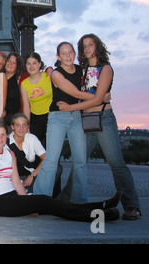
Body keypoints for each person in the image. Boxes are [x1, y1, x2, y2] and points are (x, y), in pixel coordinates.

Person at [56, 34, 141, 220]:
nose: (87, 49)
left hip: (103, 118)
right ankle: (65, 200)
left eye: (90, 45)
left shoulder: (106, 69)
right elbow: (63, 72)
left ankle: (132, 205)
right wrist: (48, 70)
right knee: (79, 162)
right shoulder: (82, 69)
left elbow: (96, 98)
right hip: (85, 119)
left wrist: (70, 107)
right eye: (84, 46)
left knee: (116, 163)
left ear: (98, 47)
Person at [0, 121, 121, 221]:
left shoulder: (9, 154)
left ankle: (100, 207)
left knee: (51, 205)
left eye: (3, 134)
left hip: (12, 196)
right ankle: (97, 216)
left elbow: (17, 183)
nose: (0, 138)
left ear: (6, 135)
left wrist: (27, 203)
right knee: (45, 201)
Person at [33, 42, 97, 204]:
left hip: (76, 116)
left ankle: (80, 200)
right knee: (51, 160)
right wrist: (100, 97)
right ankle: (40, 200)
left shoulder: (82, 71)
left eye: (70, 52)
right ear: (58, 56)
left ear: (75, 54)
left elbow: (93, 86)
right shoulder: (55, 73)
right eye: (64, 53)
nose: (68, 55)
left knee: (81, 161)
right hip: (57, 117)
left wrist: (100, 93)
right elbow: (75, 92)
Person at [7, 113, 46, 194]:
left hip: (31, 175)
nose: (21, 128)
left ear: (28, 126)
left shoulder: (32, 138)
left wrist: (32, 175)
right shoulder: (6, 142)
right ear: (12, 127)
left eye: (24, 125)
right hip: (13, 178)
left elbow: (46, 158)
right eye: (18, 125)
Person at [20, 52, 52, 147]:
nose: (31, 66)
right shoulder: (24, 84)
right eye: (28, 63)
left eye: (34, 63)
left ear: (40, 64)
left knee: (51, 148)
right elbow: (26, 106)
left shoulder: (48, 77)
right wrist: (27, 126)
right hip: (35, 119)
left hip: (51, 117)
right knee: (36, 149)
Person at [4, 52, 26, 128]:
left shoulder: (20, 79)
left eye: (14, 63)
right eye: (9, 61)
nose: (10, 64)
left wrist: (48, 69)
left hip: (14, 119)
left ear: (17, 66)